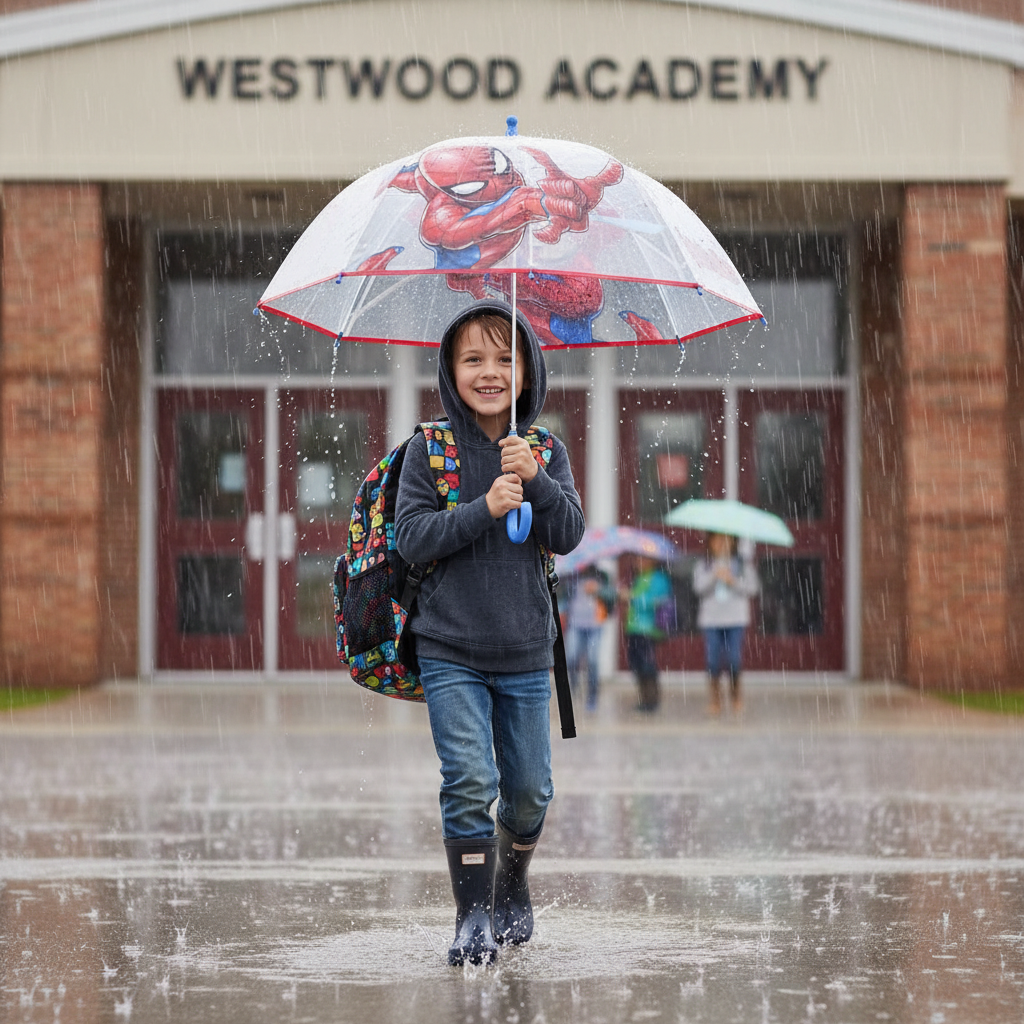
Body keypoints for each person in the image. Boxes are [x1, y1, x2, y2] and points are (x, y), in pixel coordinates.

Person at [394, 300, 585, 967]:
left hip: (529, 649)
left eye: (506, 357)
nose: (490, 371)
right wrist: (483, 509)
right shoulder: (430, 449)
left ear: (529, 370)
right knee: (470, 778)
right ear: (449, 368)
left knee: (530, 787)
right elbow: (411, 539)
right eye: (473, 357)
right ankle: (472, 915)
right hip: (450, 649)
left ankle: (510, 885)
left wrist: (534, 481)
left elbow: (568, 535)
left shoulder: (545, 451)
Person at [692, 532, 760, 715]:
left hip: (735, 619)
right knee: (712, 660)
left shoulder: (742, 565)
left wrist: (733, 580)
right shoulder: (704, 564)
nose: (722, 544)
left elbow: (752, 588)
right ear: (710, 543)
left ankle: (736, 696)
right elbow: (698, 589)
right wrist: (715, 576)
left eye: (727, 540)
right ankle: (715, 699)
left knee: (733, 659)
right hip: (711, 620)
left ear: (733, 542)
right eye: (718, 540)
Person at [622, 556, 673, 713]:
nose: (639, 563)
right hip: (634, 628)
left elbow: (654, 600)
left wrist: (631, 597)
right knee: (636, 664)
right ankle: (643, 697)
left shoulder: (659, 579)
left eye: (643, 560)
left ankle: (651, 700)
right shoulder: (638, 578)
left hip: (648, 629)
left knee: (647, 664)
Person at [564, 566, 615, 711]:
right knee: (571, 658)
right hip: (575, 624)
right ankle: (573, 688)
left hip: (595, 625)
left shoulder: (602, 575)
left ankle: (592, 696)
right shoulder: (572, 575)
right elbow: (563, 595)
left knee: (592, 661)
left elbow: (611, 595)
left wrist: (598, 590)